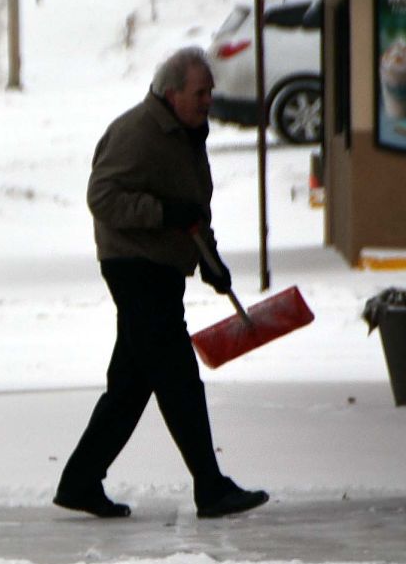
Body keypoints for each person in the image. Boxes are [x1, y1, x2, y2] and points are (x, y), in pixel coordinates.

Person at [53, 48, 270, 521]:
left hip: (163, 267)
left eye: (211, 91)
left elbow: (192, 210)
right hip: (134, 266)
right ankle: (210, 487)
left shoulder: (187, 134)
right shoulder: (138, 132)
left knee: (131, 385)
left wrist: (209, 261)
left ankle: (80, 480)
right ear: (172, 93)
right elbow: (103, 196)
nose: (208, 100)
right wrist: (162, 216)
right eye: (200, 92)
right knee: (177, 376)